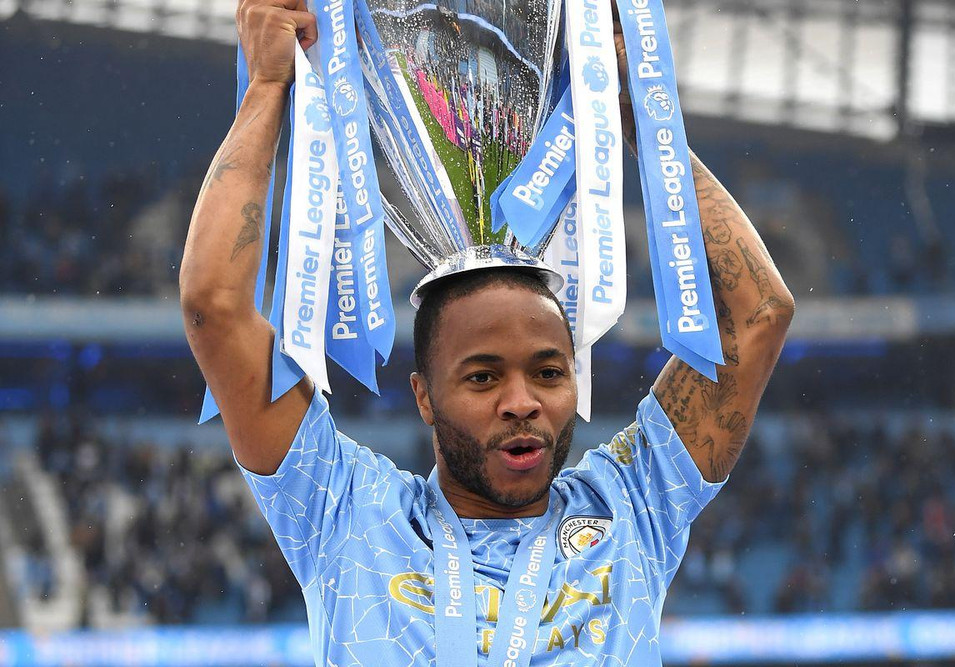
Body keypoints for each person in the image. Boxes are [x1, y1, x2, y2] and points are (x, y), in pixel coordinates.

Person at [178, 0, 794, 664]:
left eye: (548, 371)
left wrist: (630, 113)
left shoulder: (630, 508)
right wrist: (268, 87)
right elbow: (215, 308)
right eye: (482, 376)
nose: (522, 401)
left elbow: (759, 315)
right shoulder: (350, 514)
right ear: (424, 395)